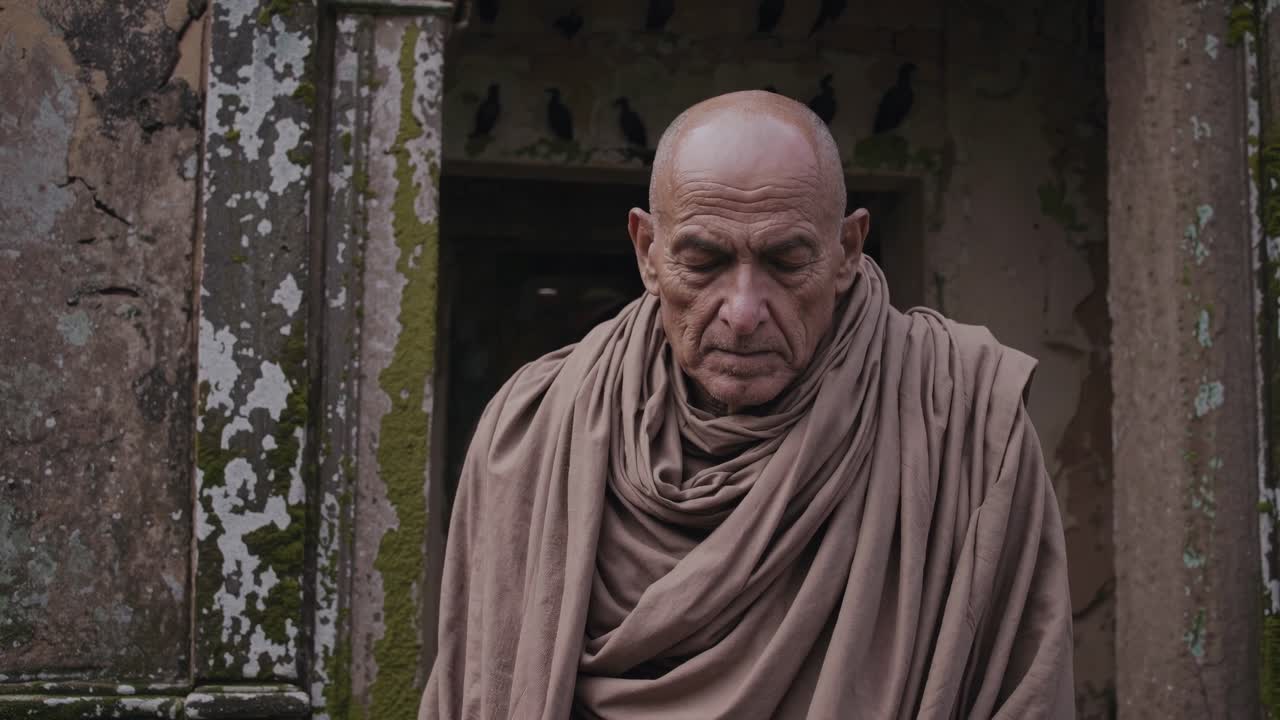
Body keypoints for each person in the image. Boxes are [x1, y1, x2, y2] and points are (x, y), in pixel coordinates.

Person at [420, 91, 1074, 719]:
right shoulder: (531, 429)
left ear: (847, 250)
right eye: (703, 262)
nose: (741, 312)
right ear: (648, 251)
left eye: (786, 262)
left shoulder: (964, 422)